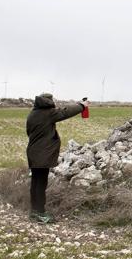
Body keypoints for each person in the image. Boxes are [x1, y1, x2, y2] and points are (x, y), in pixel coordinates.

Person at [26, 93, 89, 223]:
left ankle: (34, 212)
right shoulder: (48, 113)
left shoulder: (33, 114)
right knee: (41, 184)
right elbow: (65, 112)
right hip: (42, 155)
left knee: (36, 182)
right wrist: (82, 106)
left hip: (33, 152)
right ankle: (40, 213)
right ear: (49, 102)